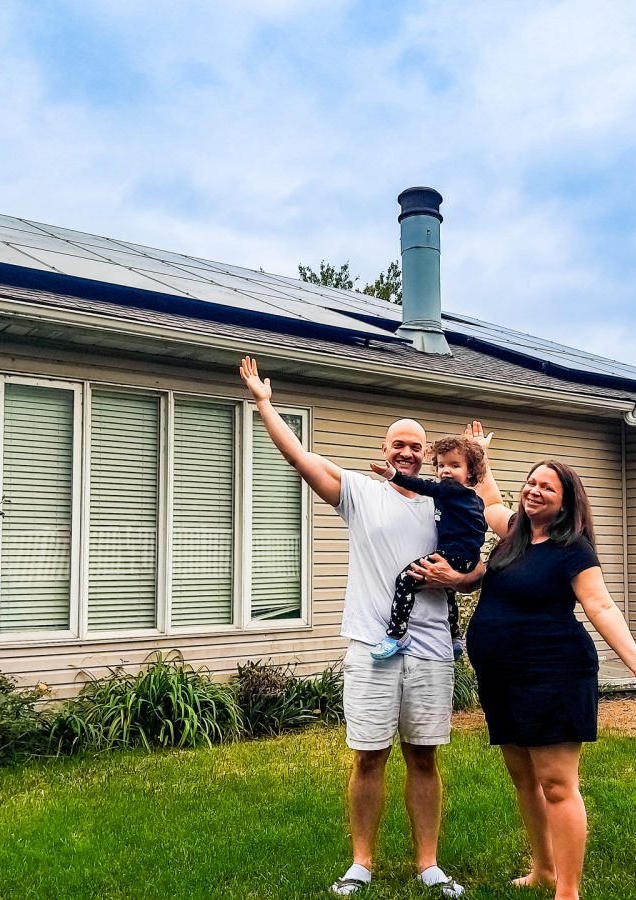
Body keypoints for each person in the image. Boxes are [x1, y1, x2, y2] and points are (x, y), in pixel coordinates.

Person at [239, 357, 480, 897]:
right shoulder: (359, 491)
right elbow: (300, 456)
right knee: (368, 755)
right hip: (373, 646)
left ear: (427, 454)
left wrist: (462, 579)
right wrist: (264, 403)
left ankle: (428, 864)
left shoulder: (447, 501)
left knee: (424, 755)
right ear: (386, 449)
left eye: (417, 445)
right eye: (399, 443)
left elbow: (492, 546)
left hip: (432, 648)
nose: (407, 451)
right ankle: (361, 862)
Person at [463, 421, 636, 900]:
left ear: (566, 502)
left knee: (556, 783)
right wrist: (480, 457)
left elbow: (601, 606)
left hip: (552, 673)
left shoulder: (572, 548)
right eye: (532, 482)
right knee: (523, 778)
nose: (535, 491)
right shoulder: (514, 533)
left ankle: (569, 890)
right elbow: (491, 501)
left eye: (548, 486)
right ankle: (542, 868)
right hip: (502, 677)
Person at [368, 435, 488, 661]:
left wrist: (393, 475)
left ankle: (397, 635)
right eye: (441, 465)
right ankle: (454, 637)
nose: (446, 471)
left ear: (470, 472)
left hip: (453, 554)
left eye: (454, 466)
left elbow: (421, 486)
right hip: (468, 558)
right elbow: (482, 524)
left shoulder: (450, 490)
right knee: (448, 591)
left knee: (405, 579)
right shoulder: (473, 498)